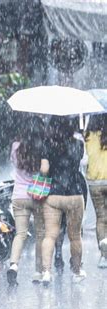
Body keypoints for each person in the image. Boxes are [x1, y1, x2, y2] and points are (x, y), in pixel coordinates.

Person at [40, 117, 86, 284]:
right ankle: (77, 271)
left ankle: (46, 272)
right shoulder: (79, 144)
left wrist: (46, 165)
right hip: (75, 193)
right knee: (75, 236)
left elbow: (44, 170)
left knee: (50, 235)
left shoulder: (48, 144)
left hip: (54, 194)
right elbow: (77, 164)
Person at [6, 117, 45, 286]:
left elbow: (14, 164)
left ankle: (13, 265)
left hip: (19, 195)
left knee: (20, 234)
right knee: (40, 234)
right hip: (37, 195)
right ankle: (38, 271)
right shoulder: (42, 148)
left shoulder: (16, 147)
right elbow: (44, 171)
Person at [85, 114, 107, 268]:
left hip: (94, 183)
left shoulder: (87, 137)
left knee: (101, 218)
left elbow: (84, 159)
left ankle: (104, 255)